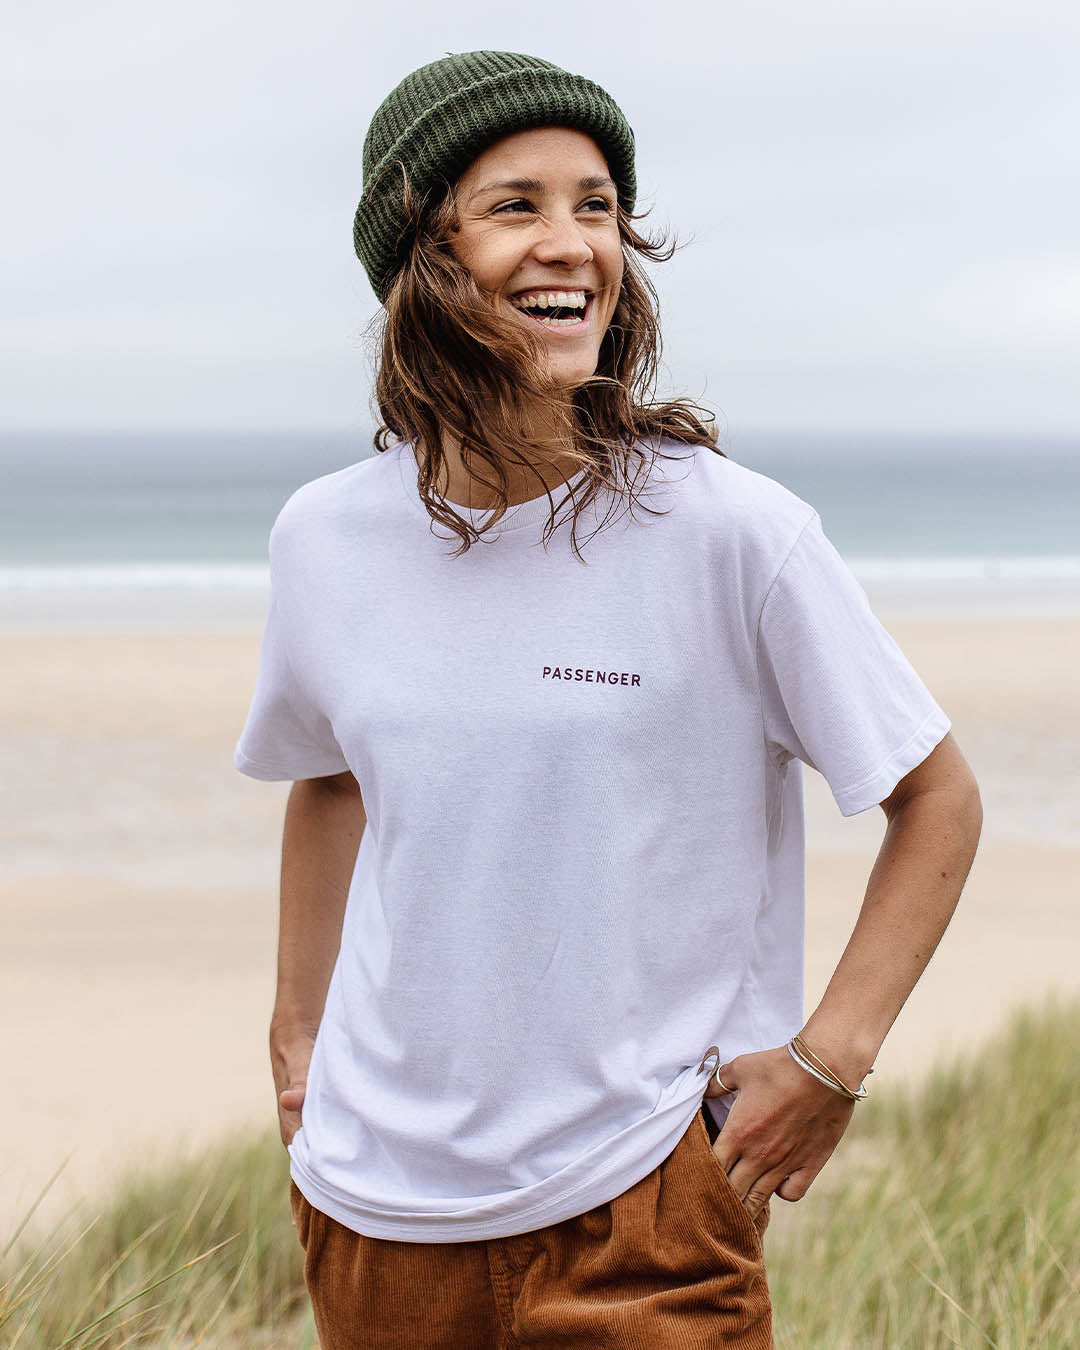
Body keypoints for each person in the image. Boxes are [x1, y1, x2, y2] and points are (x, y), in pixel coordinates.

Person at [234, 50, 983, 1349]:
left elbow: (937, 797)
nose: (572, 242)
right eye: (514, 205)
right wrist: (298, 1034)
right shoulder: (323, 537)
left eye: (597, 206)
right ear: (422, 258)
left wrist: (830, 1060)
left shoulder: (734, 533)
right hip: (372, 1214)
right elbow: (332, 777)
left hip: (644, 1204)